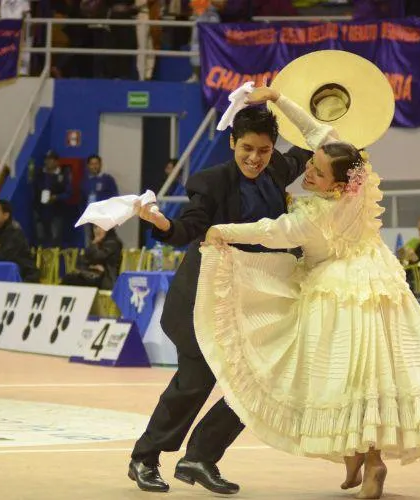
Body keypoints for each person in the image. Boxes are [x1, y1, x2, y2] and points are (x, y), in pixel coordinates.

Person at [189, 87, 420, 499]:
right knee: (379, 375)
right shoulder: (359, 186)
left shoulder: (314, 216)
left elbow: (272, 232)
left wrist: (220, 231)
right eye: (311, 164)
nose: (309, 171)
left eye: (317, 172)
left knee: (348, 377)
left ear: (336, 183)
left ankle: (364, 456)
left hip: (336, 293)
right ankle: (368, 457)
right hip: (378, 285)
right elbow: (320, 136)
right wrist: (278, 99)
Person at [128, 101, 312, 494]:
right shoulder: (210, 181)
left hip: (254, 302)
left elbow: (312, 144)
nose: (255, 158)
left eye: (264, 150)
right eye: (247, 148)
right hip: (203, 298)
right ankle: (145, 457)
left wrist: (310, 108)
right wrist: (162, 223)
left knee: (257, 384)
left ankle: (199, 457)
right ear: (232, 142)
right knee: (196, 381)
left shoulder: (278, 168)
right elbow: (191, 226)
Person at [0, 200, 40, 283]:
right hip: (3, 273)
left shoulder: (15, 232)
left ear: (6, 215)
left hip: (24, 275)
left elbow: (5, 257)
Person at [61, 225, 122, 290]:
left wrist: (94, 243)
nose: (97, 230)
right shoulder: (95, 243)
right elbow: (81, 261)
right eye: (95, 227)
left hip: (105, 278)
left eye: (101, 227)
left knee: (69, 280)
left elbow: (97, 257)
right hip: (92, 275)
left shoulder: (113, 243)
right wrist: (91, 266)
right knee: (68, 278)